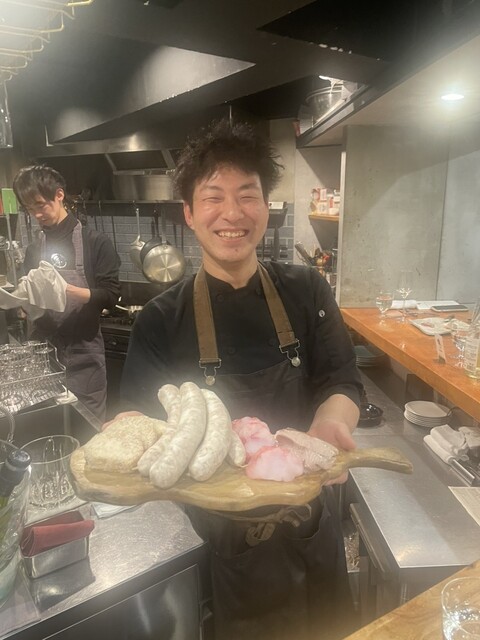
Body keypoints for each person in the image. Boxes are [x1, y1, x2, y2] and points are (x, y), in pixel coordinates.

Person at [120, 119, 363, 640]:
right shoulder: (161, 319)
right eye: (213, 197)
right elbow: (138, 422)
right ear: (189, 213)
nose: (232, 214)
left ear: (266, 207)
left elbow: (343, 381)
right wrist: (123, 437)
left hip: (308, 519)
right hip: (218, 542)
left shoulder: (307, 290)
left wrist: (331, 425)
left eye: (247, 195)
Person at [13, 165, 120, 422]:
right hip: (43, 355)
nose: (37, 214)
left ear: (59, 195)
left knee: (88, 428)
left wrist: (66, 290)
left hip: (83, 354)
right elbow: (29, 297)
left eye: (41, 205)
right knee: (48, 426)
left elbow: (110, 295)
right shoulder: (34, 250)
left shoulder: (95, 242)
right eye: (29, 209)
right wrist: (22, 304)